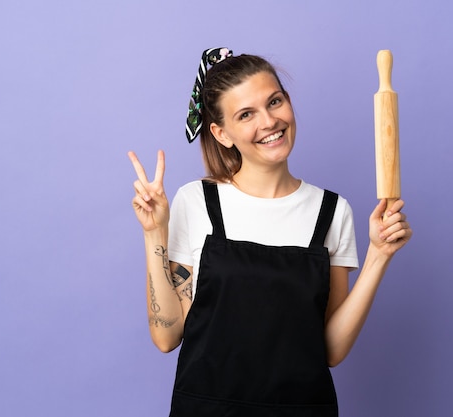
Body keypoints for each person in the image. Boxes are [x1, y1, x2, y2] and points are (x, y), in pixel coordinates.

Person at [128, 47, 412, 417]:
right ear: (221, 133)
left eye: (274, 101)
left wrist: (379, 255)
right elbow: (167, 337)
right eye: (246, 114)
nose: (269, 121)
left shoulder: (331, 212)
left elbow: (331, 350)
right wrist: (154, 233)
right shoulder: (197, 202)